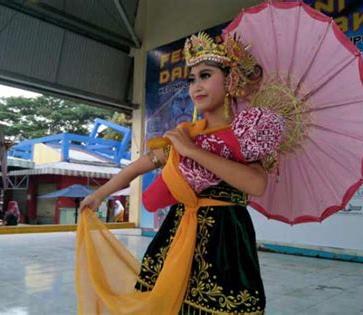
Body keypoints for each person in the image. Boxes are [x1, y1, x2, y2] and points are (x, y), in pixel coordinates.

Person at [77, 32, 285, 314]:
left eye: (205, 75)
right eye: (192, 79)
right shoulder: (184, 134)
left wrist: (193, 152)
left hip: (226, 238)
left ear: (231, 81)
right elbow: (138, 167)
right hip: (177, 232)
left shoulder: (245, 136)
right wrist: (99, 195)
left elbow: (256, 184)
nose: (196, 86)